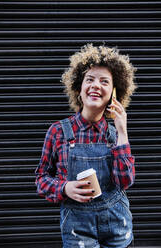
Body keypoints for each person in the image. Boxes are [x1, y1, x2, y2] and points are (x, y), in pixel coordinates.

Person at [35, 44, 137, 248]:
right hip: (77, 230)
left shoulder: (115, 133)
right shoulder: (57, 132)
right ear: (79, 90)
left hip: (118, 227)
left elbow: (125, 181)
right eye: (89, 80)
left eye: (104, 81)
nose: (96, 85)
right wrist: (64, 187)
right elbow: (41, 179)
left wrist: (122, 132)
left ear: (114, 94)